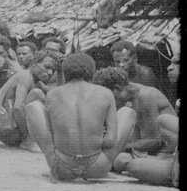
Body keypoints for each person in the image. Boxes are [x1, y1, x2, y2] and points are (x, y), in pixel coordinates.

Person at [25, 53, 121, 182]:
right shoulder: (106, 93)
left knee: (33, 106)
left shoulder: (52, 94)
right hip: (98, 167)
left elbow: (53, 133)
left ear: (65, 73)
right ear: (92, 71)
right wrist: (92, 138)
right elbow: (110, 140)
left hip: (62, 167)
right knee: (128, 112)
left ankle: (52, 163)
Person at [91, 66, 176, 159]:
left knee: (120, 161)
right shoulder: (130, 99)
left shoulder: (144, 96)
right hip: (154, 152)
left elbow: (155, 141)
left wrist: (119, 147)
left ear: (117, 88)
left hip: (169, 152)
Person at [123, 54, 180, 187]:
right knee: (130, 164)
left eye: (177, 63)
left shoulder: (145, 94)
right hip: (171, 155)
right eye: (171, 63)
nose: (169, 68)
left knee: (164, 120)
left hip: (172, 156)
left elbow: (155, 140)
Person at [0, 51, 56, 147]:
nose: (50, 72)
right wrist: (27, 137)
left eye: (53, 69)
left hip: (7, 130)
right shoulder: (25, 76)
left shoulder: (35, 80)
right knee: (37, 94)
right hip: (8, 130)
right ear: (34, 63)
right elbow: (17, 107)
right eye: (47, 67)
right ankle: (29, 141)